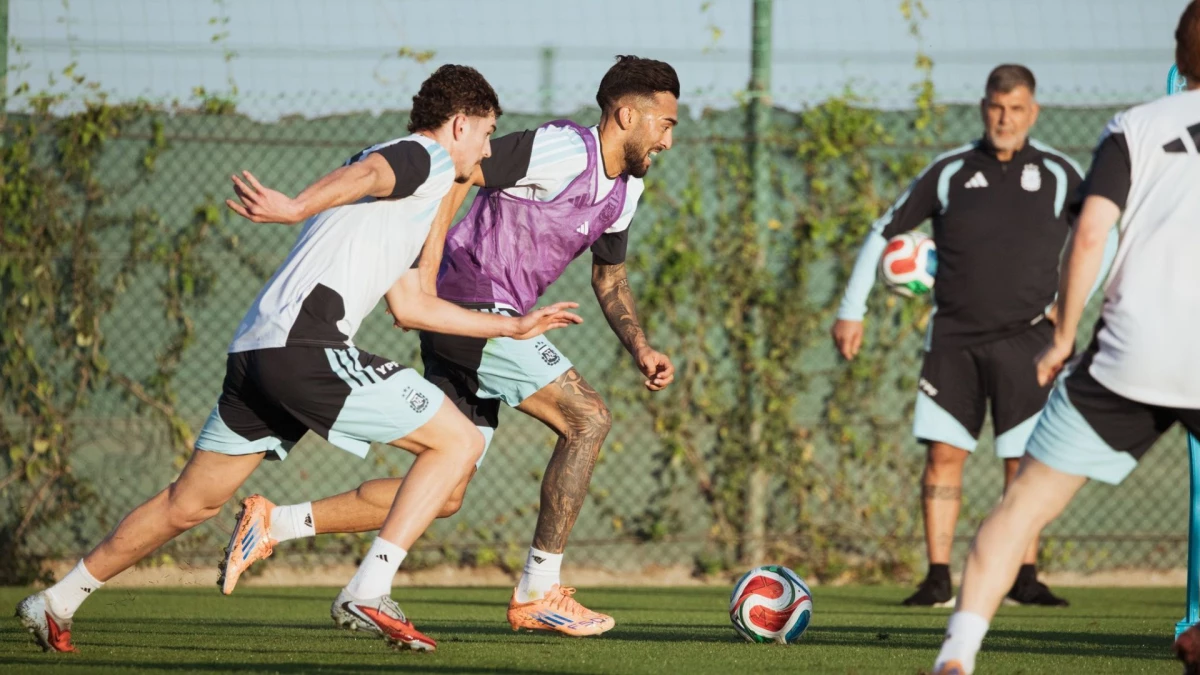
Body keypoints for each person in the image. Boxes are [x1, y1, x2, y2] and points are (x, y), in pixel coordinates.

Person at [16, 64, 583, 654]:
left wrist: (513, 325)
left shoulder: (414, 192)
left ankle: (57, 599)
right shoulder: (426, 156)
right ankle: (367, 590)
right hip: (306, 346)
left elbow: (412, 307)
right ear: (460, 124)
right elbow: (370, 173)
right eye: (488, 132)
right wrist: (294, 207)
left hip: (256, 351)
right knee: (459, 443)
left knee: (190, 503)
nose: (489, 147)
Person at [215, 55, 679, 637]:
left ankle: (275, 523)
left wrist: (640, 347)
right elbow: (460, 175)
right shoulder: (564, 150)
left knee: (446, 490)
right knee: (588, 417)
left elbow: (609, 278)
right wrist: (428, 272)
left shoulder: (626, 191)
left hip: (477, 320)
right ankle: (538, 589)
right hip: (474, 301)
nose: (667, 139)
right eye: (664, 124)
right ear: (626, 114)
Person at [933, 4, 1200, 672]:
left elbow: (1089, 234)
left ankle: (958, 653)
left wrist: (1063, 332)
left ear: (1179, 53)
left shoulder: (1135, 128)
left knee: (1022, 506)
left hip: (1131, 354)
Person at [831, 64, 1115, 608]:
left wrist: (1070, 307)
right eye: (995, 107)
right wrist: (852, 309)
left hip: (1031, 339)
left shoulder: (1059, 172)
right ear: (983, 107)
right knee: (944, 456)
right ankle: (938, 576)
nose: (1004, 119)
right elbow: (883, 231)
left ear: (1033, 112)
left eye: (1015, 109)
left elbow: (1104, 234)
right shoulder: (951, 171)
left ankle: (1024, 577)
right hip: (954, 341)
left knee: (1026, 463)